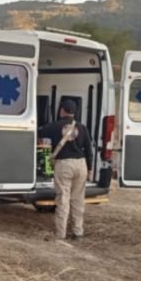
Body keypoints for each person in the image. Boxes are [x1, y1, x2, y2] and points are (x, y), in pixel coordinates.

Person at [38, 99, 93, 241]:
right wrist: (90, 167)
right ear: (74, 112)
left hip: (64, 164)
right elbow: (89, 149)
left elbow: (40, 134)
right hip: (81, 164)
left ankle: (60, 234)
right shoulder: (82, 127)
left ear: (62, 110)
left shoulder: (54, 126)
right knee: (78, 200)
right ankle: (78, 232)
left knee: (63, 199)